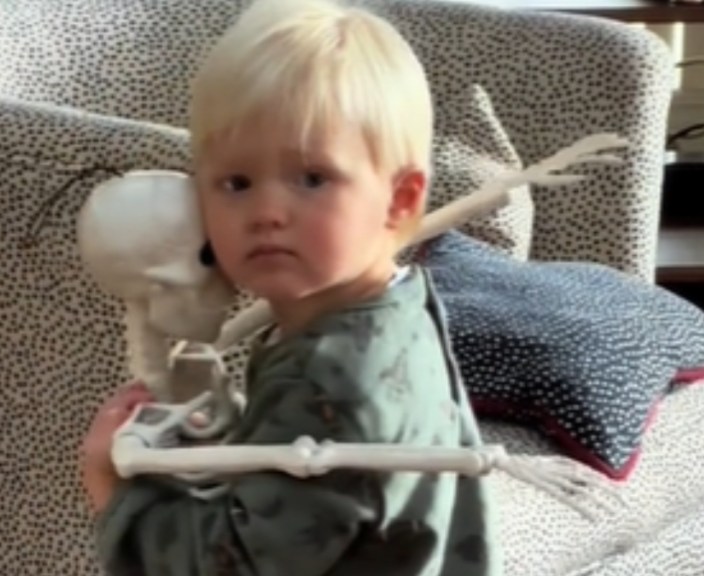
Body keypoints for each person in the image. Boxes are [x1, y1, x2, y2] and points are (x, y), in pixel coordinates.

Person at [80, 0, 502, 573]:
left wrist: (119, 496)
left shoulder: (337, 376)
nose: (267, 211)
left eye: (312, 178)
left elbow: (237, 567)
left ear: (400, 200)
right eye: (236, 182)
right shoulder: (385, 312)